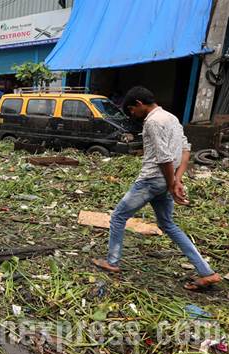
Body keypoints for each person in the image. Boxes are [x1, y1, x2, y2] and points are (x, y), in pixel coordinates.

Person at [92, 86, 221, 291]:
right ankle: (207, 272)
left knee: (118, 216)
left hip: (151, 180)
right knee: (167, 224)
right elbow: (186, 150)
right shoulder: (172, 118)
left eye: (132, 111)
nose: (132, 115)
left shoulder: (152, 121)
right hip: (165, 180)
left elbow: (164, 158)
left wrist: (172, 184)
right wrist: (176, 181)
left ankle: (112, 262)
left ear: (139, 104)